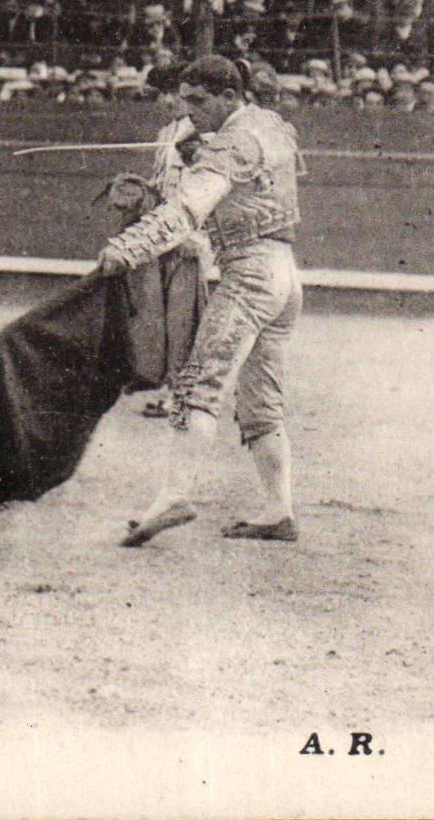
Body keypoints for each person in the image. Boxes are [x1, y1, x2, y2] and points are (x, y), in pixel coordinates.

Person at [97, 55, 303, 546]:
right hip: (285, 276)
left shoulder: (231, 141)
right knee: (260, 403)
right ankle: (279, 511)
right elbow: (260, 181)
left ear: (230, 96)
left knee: (196, 387)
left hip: (250, 275)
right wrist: (197, 154)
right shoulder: (271, 125)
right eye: (184, 101)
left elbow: (185, 212)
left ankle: (175, 495)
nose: (189, 113)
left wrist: (126, 249)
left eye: (198, 102)